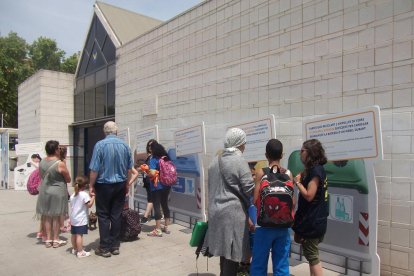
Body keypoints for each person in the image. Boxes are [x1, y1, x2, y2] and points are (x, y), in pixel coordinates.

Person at [202, 128, 255, 276]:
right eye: (243, 144)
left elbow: (211, 187)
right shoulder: (239, 160)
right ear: (238, 143)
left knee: (224, 253)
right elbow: (249, 188)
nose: (244, 147)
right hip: (233, 214)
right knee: (232, 255)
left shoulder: (214, 161)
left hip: (216, 212)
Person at [89, 121, 134, 257]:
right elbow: (129, 169)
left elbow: (94, 169)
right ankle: (115, 245)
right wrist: (127, 184)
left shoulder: (100, 145)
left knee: (103, 215)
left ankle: (104, 247)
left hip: (103, 185)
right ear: (116, 132)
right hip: (120, 184)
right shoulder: (125, 146)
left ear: (104, 132)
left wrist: (91, 185)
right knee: (116, 214)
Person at [250, 139, 294, 276]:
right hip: (283, 226)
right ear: (282, 155)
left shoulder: (260, 173)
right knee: (282, 265)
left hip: (263, 226)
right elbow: (293, 202)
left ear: (266, 155)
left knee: (258, 264)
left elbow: (256, 200)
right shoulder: (288, 174)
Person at [292, 139, 328, 276]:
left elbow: (309, 195)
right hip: (315, 220)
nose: (300, 154)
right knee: (312, 254)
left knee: (313, 257)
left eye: (302, 151)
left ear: (310, 153)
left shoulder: (315, 171)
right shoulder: (316, 169)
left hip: (313, 222)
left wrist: (298, 183)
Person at [36, 140, 71, 248]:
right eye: (58, 148)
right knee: (56, 216)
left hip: (44, 191)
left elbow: (41, 175)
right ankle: (55, 239)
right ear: (55, 150)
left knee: (46, 215)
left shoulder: (41, 162)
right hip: (57, 192)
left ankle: (48, 239)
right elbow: (68, 179)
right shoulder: (59, 163)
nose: (59, 150)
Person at [146, 142, 172, 237]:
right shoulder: (165, 157)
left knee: (156, 205)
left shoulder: (153, 159)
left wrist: (147, 172)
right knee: (165, 204)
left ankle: (157, 229)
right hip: (167, 185)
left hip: (157, 186)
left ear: (154, 149)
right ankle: (166, 226)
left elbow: (152, 173)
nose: (149, 149)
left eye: (150, 147)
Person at [70, 176, 95, 258]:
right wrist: (93, 197)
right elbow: (89, 205)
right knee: (79, 235)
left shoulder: (73, 195)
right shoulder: (84, 195)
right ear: (84, 186)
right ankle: (80, 252)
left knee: (74, 234)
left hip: (73, 218)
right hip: (81, 218)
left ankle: (75, 249)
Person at [140, 139, 157, 223]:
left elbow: (154, 169)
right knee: (151, 198)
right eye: (149, 146)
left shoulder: (156, 156)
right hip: (147, 180)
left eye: (152, 145)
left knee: (151, 199)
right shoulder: (149, 156)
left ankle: (145, 217)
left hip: (152, 180)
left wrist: (147, 169)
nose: (150, 147)